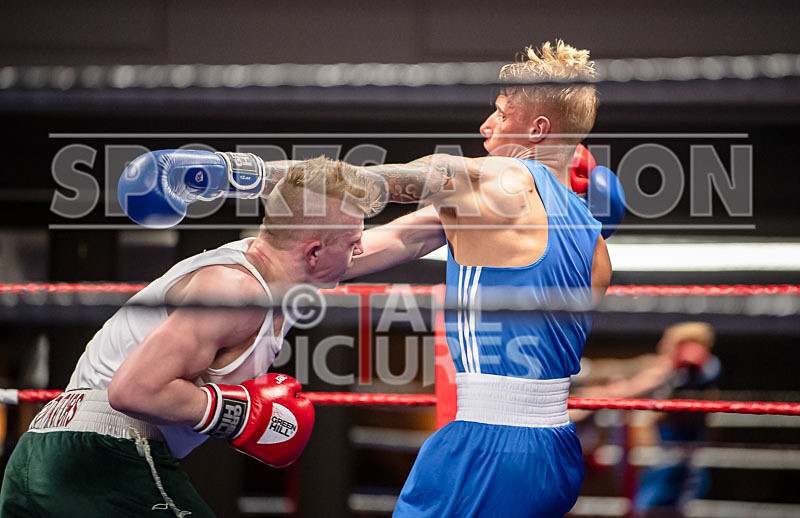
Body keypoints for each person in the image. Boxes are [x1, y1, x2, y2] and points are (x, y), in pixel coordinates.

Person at [0, 155, 444, 517]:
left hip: (53, 455)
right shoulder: (234, 291)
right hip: (99, 456)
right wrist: (240, 414)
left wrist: (483, 194)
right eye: (351, 242)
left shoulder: (286, 271)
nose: (359, 249)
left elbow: (404, 238)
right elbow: (132, 389)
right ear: (313, 251)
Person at [362, 40, 622, 517]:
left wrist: (264, 177)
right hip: (557, 453)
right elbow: (374, 249)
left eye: (501, 114)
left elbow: (427, 174)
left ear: (537, 130)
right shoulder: (596, 246)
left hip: (489, 447)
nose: (486, 126)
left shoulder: (505, 177)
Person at [572, 322, 721, 518]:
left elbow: (631, 389)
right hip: (660, 457)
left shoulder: (695, 366)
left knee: (659, 508)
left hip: (675, 456)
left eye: (668, 343)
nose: (662, 347)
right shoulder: (667, 368)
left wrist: (600, 395)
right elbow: (634, 370)